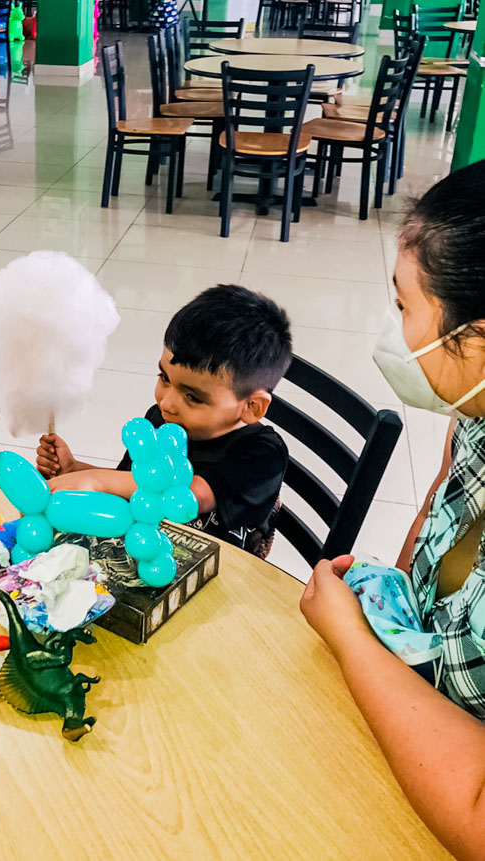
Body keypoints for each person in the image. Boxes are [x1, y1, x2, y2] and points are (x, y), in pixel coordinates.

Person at [301, 161, 485, 861]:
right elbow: (441, 500)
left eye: (406, 306)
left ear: (478, 338)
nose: (396, 332)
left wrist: (353, 642)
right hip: (402, 735)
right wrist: (392, 611)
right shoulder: (475, 407)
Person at [36, 284, 292, 556]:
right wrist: (76, 470)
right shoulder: (162, 420)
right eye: (165, 379)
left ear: (252, 406)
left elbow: (189, 494)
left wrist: (96, 481)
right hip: (145, 552)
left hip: (224, 580)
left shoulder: (262, 455)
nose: (166, 403)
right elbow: (135, 484)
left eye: (193, 397)